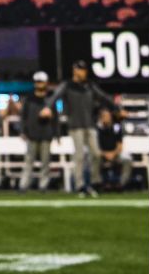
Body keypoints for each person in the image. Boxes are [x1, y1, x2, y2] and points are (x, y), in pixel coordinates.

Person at [48, 60, 116, 197]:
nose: (83, 72)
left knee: (96, 154)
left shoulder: (89, 85)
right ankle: (80, 186)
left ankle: (95, 182)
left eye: (84, 70)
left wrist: (117, 108)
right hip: (75, 125)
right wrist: (47, 107)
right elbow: (55, 96)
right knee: (79, 156)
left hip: (90, 125)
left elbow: (103, 96)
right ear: (75, 71)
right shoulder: (67, 85)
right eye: (80, 69)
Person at [18, 71, 57, 193]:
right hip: (32, 134)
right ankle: (24, 185)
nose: (39, 84)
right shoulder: (29, 98)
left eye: (41, 82)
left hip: (46, 133)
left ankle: (43, 185)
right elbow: (23, 116)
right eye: (38, 82)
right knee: (29, 161)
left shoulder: (50, 99)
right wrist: (23, 131)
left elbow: (55, 118)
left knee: (45, 162)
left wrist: (57, 133)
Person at [97, 107, 134, 191]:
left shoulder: (116, 128)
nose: (107, 118)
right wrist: (104, 154)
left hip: (115, 154)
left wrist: (113, 154)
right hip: (101, 155)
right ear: (101, 118)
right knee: (93, 159)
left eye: (108, 116)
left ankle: (121, 184)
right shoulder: (97, 130)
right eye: (104, 116)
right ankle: (98, 184)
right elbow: (95, 147)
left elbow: (120, 145)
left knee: (127, 160)